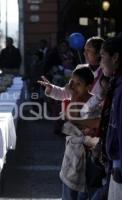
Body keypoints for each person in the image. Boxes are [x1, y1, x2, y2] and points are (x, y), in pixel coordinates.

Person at [40, 66, 98, 200]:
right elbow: (60, 93)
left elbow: (74, 117)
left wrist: (72, 96)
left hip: (89, 154)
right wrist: (50, 88)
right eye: (72, 82)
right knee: (69, 187)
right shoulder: (72, 94)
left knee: (85, 190)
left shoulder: (93, 101)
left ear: (89, 86)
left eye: (79, 84)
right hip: (72, 153)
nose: (74, 86)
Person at [99, 36, 122, 200]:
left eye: (102, 56)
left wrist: (121, 166)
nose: (101, 62)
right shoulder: (117, 83)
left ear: (115, 58)